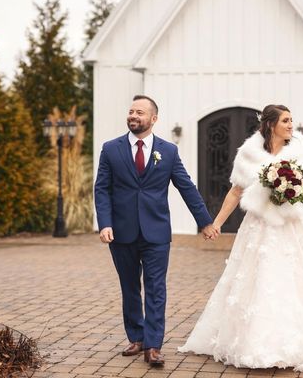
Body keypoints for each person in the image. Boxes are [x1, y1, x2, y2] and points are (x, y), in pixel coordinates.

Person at [178, 104, 303, 371]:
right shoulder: (249, 153)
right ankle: (252, 341)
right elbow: (235, 192)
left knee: (291, 278)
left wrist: (291, 189)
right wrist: (215, 223)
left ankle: (290, 340)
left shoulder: (299, 150)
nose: (290, 125)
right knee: (257, 278)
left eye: (291, 120)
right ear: (270, 124)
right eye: (285, 120)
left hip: (289, 227)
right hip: (257, 229)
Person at [94, 95, 219, 366]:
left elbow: (186, 187)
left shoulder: (169, 151)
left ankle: (153, 345)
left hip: (156, 233)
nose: (133, 116)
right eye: (131, 111)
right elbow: (102, 188)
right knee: (129, 287)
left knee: (155, 288)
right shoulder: (110, 149)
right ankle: (136, 338)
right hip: (121, 232)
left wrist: (205, 222)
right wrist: (104, 223)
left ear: (153, 119)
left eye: (140, 112)